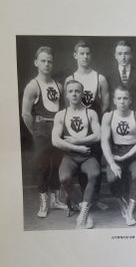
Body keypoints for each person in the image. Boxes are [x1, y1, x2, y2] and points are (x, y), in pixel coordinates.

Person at [22, 46, 67, 218]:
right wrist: (35, 132)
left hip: (56, 129)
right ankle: (44, 203)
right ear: (36, 63)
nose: (47, 64)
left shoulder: (59, 86)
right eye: (43, 61)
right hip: (40, 129)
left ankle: (56, 200)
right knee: (43, 167)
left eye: (49, 61)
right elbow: (26, 114)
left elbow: (62, 111)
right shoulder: (32, 86)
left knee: (56, 165)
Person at [65, 40, 110, 210]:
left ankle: (94, 199)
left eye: (88, 53)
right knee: (77, 163)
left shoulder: (100, 78)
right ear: (75, 55)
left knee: (94, 163)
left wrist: (94, 123)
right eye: (81, 53)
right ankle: (81, 201)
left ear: (91, 55)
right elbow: (66, 106)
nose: (85, 56)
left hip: (94, 127)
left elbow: (105, 105)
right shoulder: (71, 79)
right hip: (76, 127)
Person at [52, 80, 101, 229]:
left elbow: (98, 135)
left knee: (94, 174)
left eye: (77, 91)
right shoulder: (61, 114)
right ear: (66, 94)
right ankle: (85, 212)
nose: (74, 94)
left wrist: (77, 140)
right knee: (64, 178)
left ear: (82, 93)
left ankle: (83, 214)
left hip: (88, 156)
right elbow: (55, 140)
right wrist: (78, 147)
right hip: (70, 156)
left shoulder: (90, 112)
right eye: (71, 91)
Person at [101, 86, 136, 226]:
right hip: (115, 153)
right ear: (114, 100)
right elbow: (104, 142)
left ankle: (130, 211)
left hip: (133, 153)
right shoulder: (108, 116)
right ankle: (122, 204)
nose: (122, 102)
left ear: (130, 100)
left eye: (125, 98)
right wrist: (113, 163)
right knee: (112, 177)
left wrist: (125, 157)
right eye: (119, 98)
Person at [107, 40, 136, 114]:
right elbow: (107, 101)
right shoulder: (109, 76)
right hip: (116, 116)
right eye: (120, 54)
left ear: (131, 55)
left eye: (126, 54)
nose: (123, 57)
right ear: (115, 56)